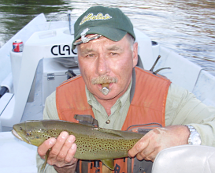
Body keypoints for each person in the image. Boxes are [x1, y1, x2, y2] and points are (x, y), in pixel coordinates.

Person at [37, 6, 215, 173]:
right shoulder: (58, 103)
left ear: (134, 54)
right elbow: (43, 167)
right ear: (78, 59)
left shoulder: (167, 98)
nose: (102, 69)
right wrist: (63, 168)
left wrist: (186, 136)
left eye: (113, 53)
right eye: (90, 55)